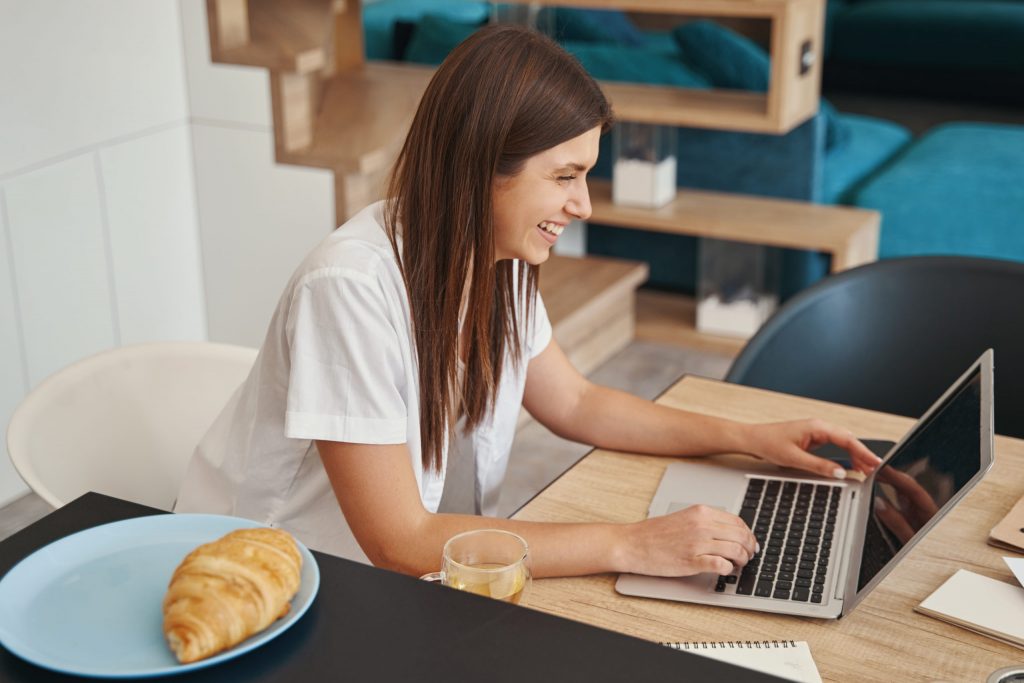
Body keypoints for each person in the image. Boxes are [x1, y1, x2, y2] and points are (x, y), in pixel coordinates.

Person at [175, 24, 880, 580]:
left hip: (408, 578)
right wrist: (632, 544)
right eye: (565, 176)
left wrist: (748, 437)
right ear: (483, 167)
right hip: (283, 583)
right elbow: (399, 541)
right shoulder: (350, 290)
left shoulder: (495, 259)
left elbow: (576, 402)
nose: (583, 204)